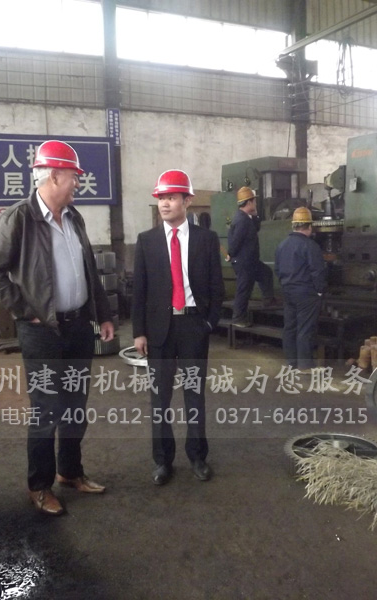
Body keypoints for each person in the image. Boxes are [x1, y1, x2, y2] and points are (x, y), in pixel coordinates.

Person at [0, 140, 114, 516]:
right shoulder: (19, 218)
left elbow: (89, 271)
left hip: (78, 327)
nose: (77, 184)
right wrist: (26, 311)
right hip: (42, 332)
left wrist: (102, 315)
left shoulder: (74, 218)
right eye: (73, 177)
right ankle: (39, 485)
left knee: (75, 405)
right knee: (46, 409)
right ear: (53, 176)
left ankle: (70, 471)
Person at [132, 169, 224, 486]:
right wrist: (139, 332)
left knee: (194, 394)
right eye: (161, 198)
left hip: (193, 326)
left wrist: (209, 322)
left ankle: (197, 457)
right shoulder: (146, 241)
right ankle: (162, 461)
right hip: (159, 329)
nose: (164, 204)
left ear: (187, 200)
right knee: (159, 398)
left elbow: (216, 286)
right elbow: (139, 291)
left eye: (171, 197)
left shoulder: (206, 240)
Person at [274, 207, 327, 372]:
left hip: (287, 291)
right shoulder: (310, 246)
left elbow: (277, 269)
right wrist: (319, 291)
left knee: (290, 327)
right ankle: (305, 365)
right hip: (306, 294)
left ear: (294, 225)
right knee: (305, 329)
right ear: (309, 226)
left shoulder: (282, 245)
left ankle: (291, 362)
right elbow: (318, 272)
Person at [226, 186, 276, 328]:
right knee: (244, 290)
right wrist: (230, 254)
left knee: (266, 273)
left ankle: (268, 300)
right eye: (254, 201)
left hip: (250, 261)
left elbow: (256, 227)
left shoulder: (245, 217)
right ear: (249, 202)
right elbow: (236, 241)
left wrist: (256, 214)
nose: (255, 203)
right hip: (244, 262)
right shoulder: (242, 220)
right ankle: (238, 318)